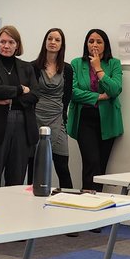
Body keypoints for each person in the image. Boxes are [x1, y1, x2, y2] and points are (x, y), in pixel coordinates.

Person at [0, 25, 39, 188]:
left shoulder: (27, 67)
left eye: (11, 42)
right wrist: (20, 89)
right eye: (2, 41)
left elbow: (35, 95)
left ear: (17, 45)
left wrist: (11, 100)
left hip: (22, 127)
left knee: (16, 182)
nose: (6, 46)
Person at [67, 28, 123, 191]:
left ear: (105, 45)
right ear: (86, 44)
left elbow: (114, 90)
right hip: (84, 119)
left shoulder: (114, 64)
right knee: (90, 162)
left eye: (99, 41)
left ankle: (98, 203)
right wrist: (98, 97)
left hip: (108, 120)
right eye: (91, 41)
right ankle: (87, 202)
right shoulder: (76, 63)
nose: (95, 45)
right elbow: (72, 92)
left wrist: (98, 69)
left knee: (100, 166)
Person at [30, 28, 74, 190]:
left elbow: (67, 97)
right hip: (36, 118)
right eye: (50, 39)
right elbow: (31, 95)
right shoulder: (33, 67)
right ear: (45, 42)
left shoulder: (67, 69)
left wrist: (63, 117)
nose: (53, 42)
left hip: (57, 119)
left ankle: (69, 204)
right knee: (33, 165)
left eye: (57, 40)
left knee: (63, 167)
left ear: (62, 44)